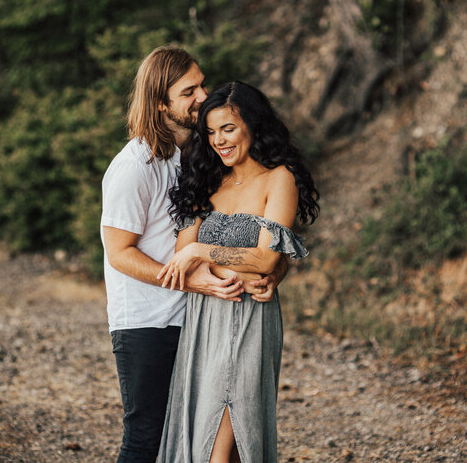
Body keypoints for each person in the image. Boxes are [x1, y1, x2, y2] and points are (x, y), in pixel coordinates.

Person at [100, 48, 287, 463]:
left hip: (197, 317)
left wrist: (275, 269)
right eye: (189, 91)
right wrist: (191, 277)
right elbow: (119, 253)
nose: (203, 96)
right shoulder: (134, 166)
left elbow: (255, 232)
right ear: (160, 103)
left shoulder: (198, 159)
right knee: (146, 438)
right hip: (147, 322)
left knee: (188, 439)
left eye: (202, 84)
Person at [157, 81, 320, 463]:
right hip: (204, 319)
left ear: (253, 125)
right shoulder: (204, 180)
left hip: (250, 320)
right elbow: (182, 259)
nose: (218, 141)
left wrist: (203, 251)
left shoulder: (279, 179)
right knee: (213, 443)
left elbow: (265, 260)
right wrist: (234, 259)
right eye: (211, 132)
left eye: (228, 129)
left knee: (230, 433)